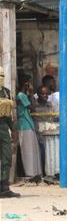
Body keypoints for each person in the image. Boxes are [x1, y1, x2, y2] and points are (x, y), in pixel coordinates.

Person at [15, 76, 42, 179]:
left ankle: (35, 173)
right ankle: (30, 173)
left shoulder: (24, 95)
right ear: (26, 84)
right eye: (30, 83)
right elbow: (33, 108)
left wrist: (30, 94)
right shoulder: (21, 95)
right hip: (24, 125)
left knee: (33, 149)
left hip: (28, 124)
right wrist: (31, 93)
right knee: (27, 150)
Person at [0, 67, 19, 198]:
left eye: (1, 76)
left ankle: (4, 187)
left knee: (6, 156)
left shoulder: (6, 92)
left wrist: (13, 130)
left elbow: (10, 115)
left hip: (3, 127)